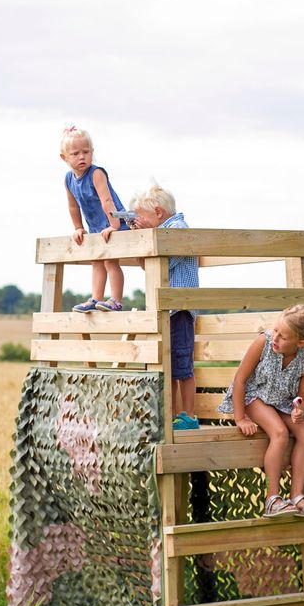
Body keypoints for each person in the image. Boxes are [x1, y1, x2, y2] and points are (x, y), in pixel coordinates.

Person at [218, 305, 304, 517]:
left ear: (301, 343)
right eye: (276, 331)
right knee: (280, 433)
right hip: (254, 397)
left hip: (282, 403)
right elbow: (240, 380)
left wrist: (299, 410)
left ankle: (297, 496)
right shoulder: (263, 343)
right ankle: (272, 499)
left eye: (283, 336)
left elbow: (303, 397)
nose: (275, 338)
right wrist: (240, 418)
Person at [129, 184, 199, 432]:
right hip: (166, 309)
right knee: (168, 366)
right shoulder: (161, 233)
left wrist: (150, 235)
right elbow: (148, 267)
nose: (140, 221)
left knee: (182, 365)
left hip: (180, 309)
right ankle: (171, 414)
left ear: (158, 212)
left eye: (143, 217)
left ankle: (189, 415)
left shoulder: (178, 229)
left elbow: (167, 260)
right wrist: (142, 238)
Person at [60, 125, 127, 313]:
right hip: (97, 227)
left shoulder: (96, 173)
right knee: (96, 261)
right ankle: (96, 298)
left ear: (92, 152)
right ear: (64, 157)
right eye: (75, 153)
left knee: (110, 261)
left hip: (114, 221)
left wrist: (114, 225)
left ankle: (116, 300)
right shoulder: (68, 179)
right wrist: (78, 228)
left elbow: (107, 200)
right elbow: (73, 206)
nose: (82, 157)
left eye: (86, 152)